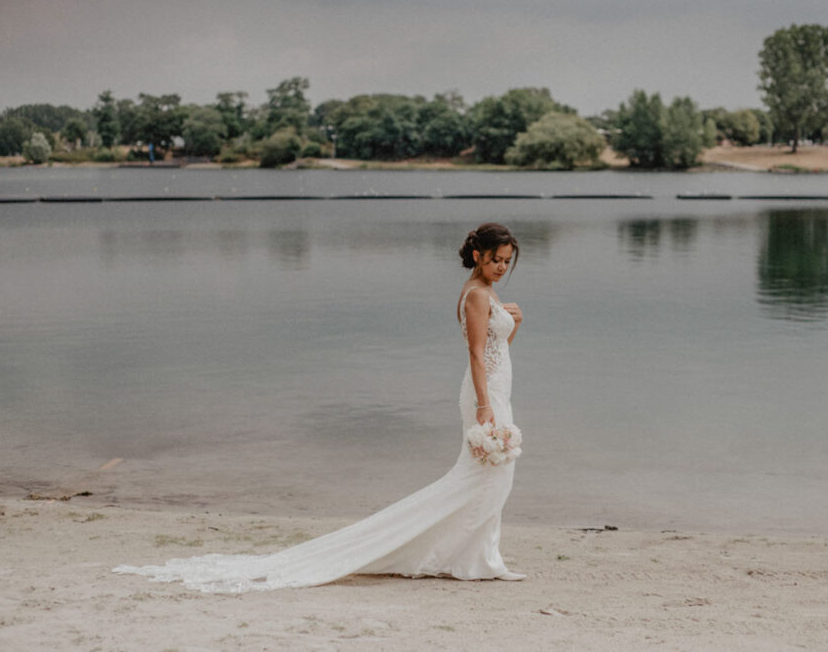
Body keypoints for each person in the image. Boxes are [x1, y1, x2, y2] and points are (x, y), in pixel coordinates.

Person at [114, 222, 525, 591]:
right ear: (477, 255)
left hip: (496, 389)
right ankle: (478, 559)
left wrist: (513, 327)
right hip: (484, 396)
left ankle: (480, 558)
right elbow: (473, 354)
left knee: (491, 479)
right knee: (489, 478)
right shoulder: (475, 294)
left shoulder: (489, 292)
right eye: (496, 260)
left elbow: (493, 350)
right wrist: (484, 407)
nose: (501, 267)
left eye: (507, 261)